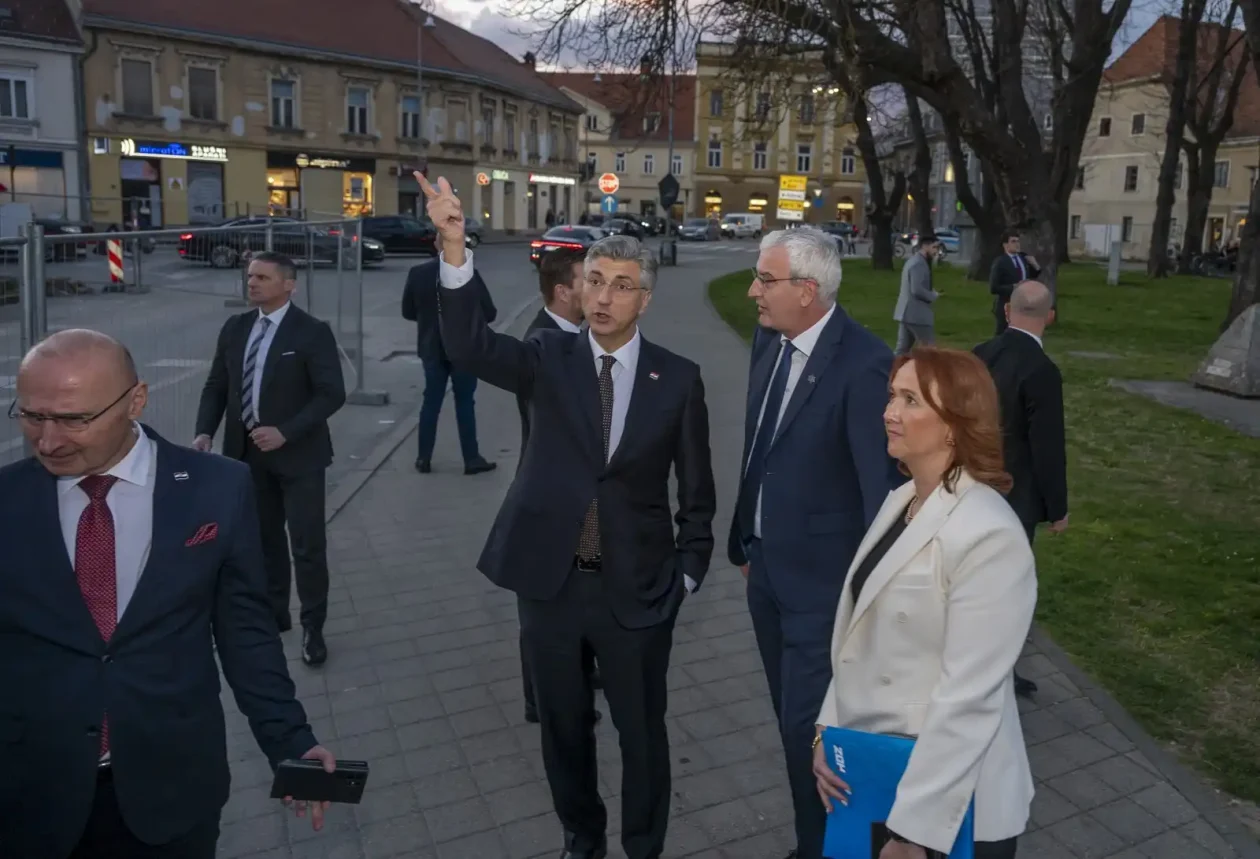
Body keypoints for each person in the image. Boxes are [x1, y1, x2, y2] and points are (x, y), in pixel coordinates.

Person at [421, 172, 716, 859]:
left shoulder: (678, 378)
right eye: (595, 282)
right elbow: (469, 347)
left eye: (621, 285)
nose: (603, 297)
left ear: (644, 298)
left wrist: (687, 574)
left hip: (638, 590)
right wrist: (454, 247)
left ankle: (643, 845)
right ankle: (582, 838)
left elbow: (697, 493)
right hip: (550, 585)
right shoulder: (546, 356)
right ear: (578, 291)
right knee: (563, 728)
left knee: (642, 733)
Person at [0, 329, 336, 859]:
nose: (48, 441)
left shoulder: (218, 488)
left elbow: (246, 633)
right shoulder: (7, 499)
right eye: (31, 416)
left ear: (136, 400)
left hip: (172, 792)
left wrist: (290, 740)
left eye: (74, 419)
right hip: (29, 794)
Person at [813, 346, 1037, 859]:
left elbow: (969, 697)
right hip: (878, 774)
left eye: (910, 400)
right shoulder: (903, 500)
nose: (889, 412)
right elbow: (859, 636)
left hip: (951, 809)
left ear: (955, 424)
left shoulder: (988, 534)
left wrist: (911, 834)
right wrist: (828, 731)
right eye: (892, 396)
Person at [730, 226, 902, 859]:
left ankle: (825, 849)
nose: (753, 292)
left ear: (807, 290)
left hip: (824, 593)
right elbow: (761, 450)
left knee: (814, 734)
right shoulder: (769, 341)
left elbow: (880, 497)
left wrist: (867, 604)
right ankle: (820, 843)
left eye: (764, 279)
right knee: (791, 724)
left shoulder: (865, 363)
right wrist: (746, 541)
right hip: (766, 572)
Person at [194, 251, 346, 667]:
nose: (252, 283)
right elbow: (217, 385)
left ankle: (313, 625)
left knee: (307, 546)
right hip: (247, 457)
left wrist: (286, 431)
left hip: (300, 458)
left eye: (262, 277)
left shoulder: (311, 332)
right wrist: (204, 431)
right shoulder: (236, 327)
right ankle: (275, 614)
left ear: (289, 285)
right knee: (264, 542)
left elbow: (331, 393)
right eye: (250, 276)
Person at [517, 247, 602, 725]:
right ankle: (542, 698)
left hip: (584, 498)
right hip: (554, 499)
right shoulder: (543, 344)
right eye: (589, 281)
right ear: (564, 292)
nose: (599, 291)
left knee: (584, 587)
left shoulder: (575, 335)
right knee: (544, 601)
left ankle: (581, 670)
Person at [973, 280, 1068, 699]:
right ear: (1050, 317)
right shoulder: (1042, 372)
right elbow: (1047, 446)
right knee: (1005, 590)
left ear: (1008, 311)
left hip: (971, 484)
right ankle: (996, 674)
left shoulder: (980, 354)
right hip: (1015, 497)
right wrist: (1057, 507)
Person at [402, 257, 498, 475]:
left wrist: (428, 321)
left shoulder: (418, 273)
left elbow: (407, 311)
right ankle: (471, 458)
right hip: (463, 349)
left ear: (436, 244)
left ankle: (423, 457)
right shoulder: (469, 274)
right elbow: (489, 312)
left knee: (431, 402)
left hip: (431, 347)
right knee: (465, 403)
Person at [892, 234, 943, 355]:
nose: (936, 251)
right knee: (930, 351)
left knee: (902, 350)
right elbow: (916, 290)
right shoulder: (919, 264)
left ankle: (891, 367)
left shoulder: (912, 261)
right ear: (925, 246)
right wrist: (932, 296)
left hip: (906, 314)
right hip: (917, 315)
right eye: (934, 247)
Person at [987, 230, 1040, 335]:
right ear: (1005, 245)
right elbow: (994, 288)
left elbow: (1031, 275)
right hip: (1007, 304)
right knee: (1004, 335)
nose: (1017, 244)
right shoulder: (1000, 262)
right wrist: (1013, 287)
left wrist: (1036, 266)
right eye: (1013, 241)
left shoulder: (1023, 258)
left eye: (1018, 241)